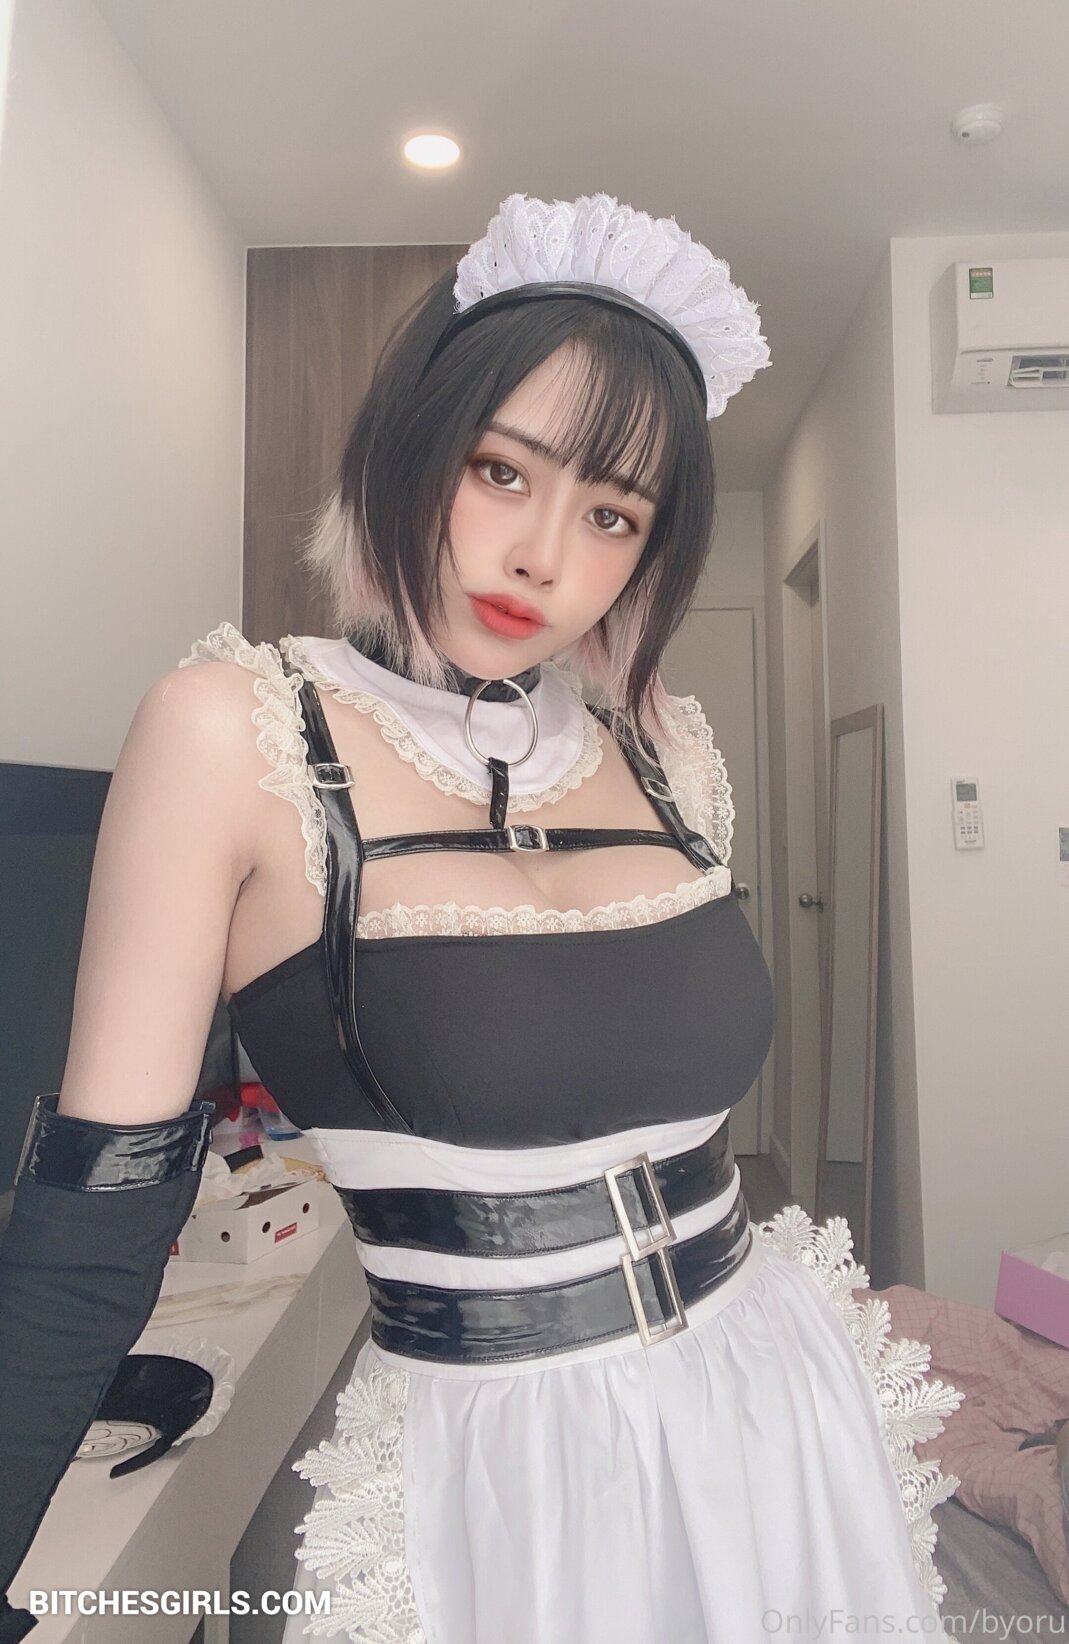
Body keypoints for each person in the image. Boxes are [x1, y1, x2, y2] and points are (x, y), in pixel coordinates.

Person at [0, 194, 962, 1643]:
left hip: (775, 1401)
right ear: (412, 443)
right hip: (509, 1476)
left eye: (611, 514)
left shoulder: (664, 748)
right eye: (501, 471)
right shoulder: (236, 731)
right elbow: (96, 1214)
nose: (542, 559)